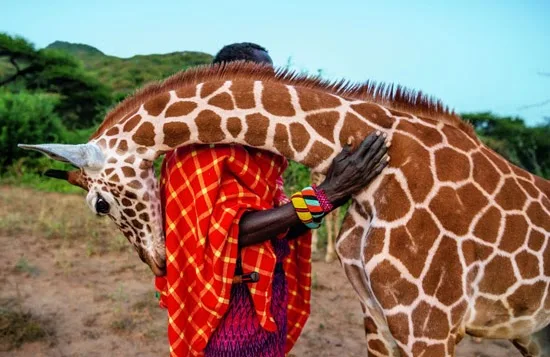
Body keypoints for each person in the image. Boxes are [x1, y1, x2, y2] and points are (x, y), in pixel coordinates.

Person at [155, 42, 389, 357]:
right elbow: (234, 231)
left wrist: (332, 195)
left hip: (267, 293)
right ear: (225, 84)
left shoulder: (263, 156)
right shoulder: (192, 154)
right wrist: (328, 193)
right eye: (261, 79)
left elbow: (281, 227)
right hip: (225, 305)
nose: (272, 90)